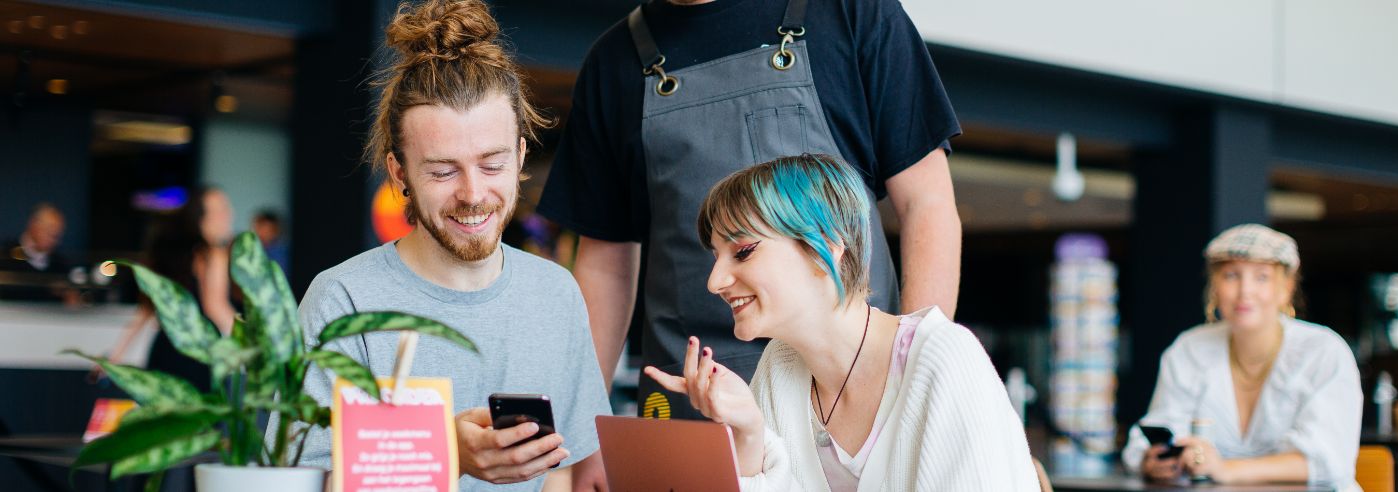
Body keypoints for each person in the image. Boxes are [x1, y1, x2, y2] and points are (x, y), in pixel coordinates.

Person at [538, 0, 964, 418]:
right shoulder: (613, 62)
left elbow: (927, 204)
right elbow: (606, 264)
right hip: (689, 402)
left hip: (852, 392)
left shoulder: (852, 12)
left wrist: (911, 377)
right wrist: (585, 433)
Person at [273, 1, 611, 489]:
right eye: (442, 171)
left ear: (520, 156)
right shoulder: (344, 299)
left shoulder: (555, 293)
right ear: (399, 174)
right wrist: (443, 452)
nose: (473, 194)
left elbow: (561, 473)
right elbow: (306, 482)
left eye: (492, 164)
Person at [646, 154, 1036, 491]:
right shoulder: (779, 369)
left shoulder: (944, 359)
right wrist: (748, 431)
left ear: (827, 247)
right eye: (716, 256)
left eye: (743, 251)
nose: (715, 282)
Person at [1122, 224, 1362, 491]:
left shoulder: (1322, 351)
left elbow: (1327, 461)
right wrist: (1154, 461)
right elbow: (1156, 432)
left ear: (1286, 287)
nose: (1245, 291)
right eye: (1231, 275)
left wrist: (1226, 469)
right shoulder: (1189, 349)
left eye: (1261, 277)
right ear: (1215, 286)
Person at [103, 187, 237, 391]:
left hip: (164, 352)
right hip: (200, 357)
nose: (228, 214)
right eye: (220, 210)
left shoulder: (174, 255)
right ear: (201, 217)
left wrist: (116, 355)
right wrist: (255, 347)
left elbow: (146, 309)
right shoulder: (213, 254)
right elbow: (215, 307)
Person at [250, 209, 290, 274]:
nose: (261, 233)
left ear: (276, 231)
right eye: (258, 228)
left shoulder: (282, 254)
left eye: (266, 230)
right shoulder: (251, 250)